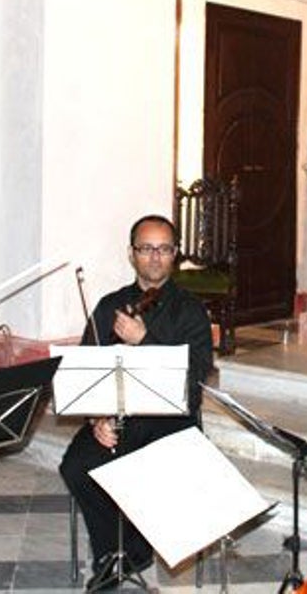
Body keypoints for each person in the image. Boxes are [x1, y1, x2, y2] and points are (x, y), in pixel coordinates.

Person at [59, 215, 213, 589]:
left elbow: (193, 382)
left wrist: (145, 339)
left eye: (163, 249)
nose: (155, 258)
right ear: (132, 254)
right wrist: (97, 417)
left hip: (171, 421)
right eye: (146, 249)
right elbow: (86, 369)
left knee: (155, 472)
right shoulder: (109, 306)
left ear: (175, 255)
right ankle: (115, 553)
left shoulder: (191, 310)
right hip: (121, 416)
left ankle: (134, 549)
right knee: (77, 465)